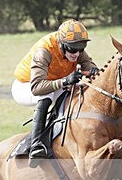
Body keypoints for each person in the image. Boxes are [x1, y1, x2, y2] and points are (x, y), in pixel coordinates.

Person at [12, 19, 99, 167]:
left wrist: (93, 70)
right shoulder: (44, 51)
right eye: (72, 49)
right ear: (61, 44)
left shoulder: (75, 48)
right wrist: (65, 81)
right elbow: (37, 87)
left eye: (81, 48)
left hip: (51, 82)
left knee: (76, 92)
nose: (77, 53)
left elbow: (87, 63)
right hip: (25, 86)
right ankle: (36, 144)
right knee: (46, 95)